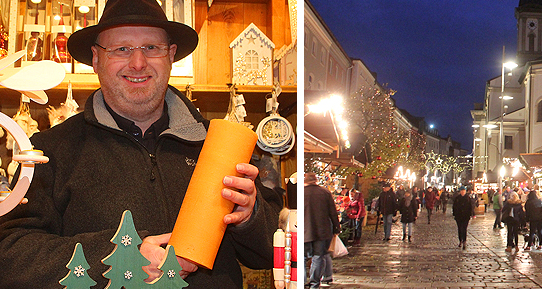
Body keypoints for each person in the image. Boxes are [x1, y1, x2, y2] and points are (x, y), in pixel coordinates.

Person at [0, 0, 282, 287]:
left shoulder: (218, 145)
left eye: (151, 48)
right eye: (121, 49)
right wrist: (121, 256)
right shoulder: (50, 150)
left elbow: (270, 253)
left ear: (170, 55)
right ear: (96, 60)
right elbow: (11, 255)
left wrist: (250, 216)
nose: (138, 63)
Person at [304, 175, 340, 288]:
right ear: (315, 180)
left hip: (305, 231)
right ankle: (315, 284)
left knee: (303, 258)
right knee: (318, 257)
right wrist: (336, 227)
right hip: (322, 230)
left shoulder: (300, 192)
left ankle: (302, 282)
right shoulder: (325, 192)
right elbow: (333, 212)